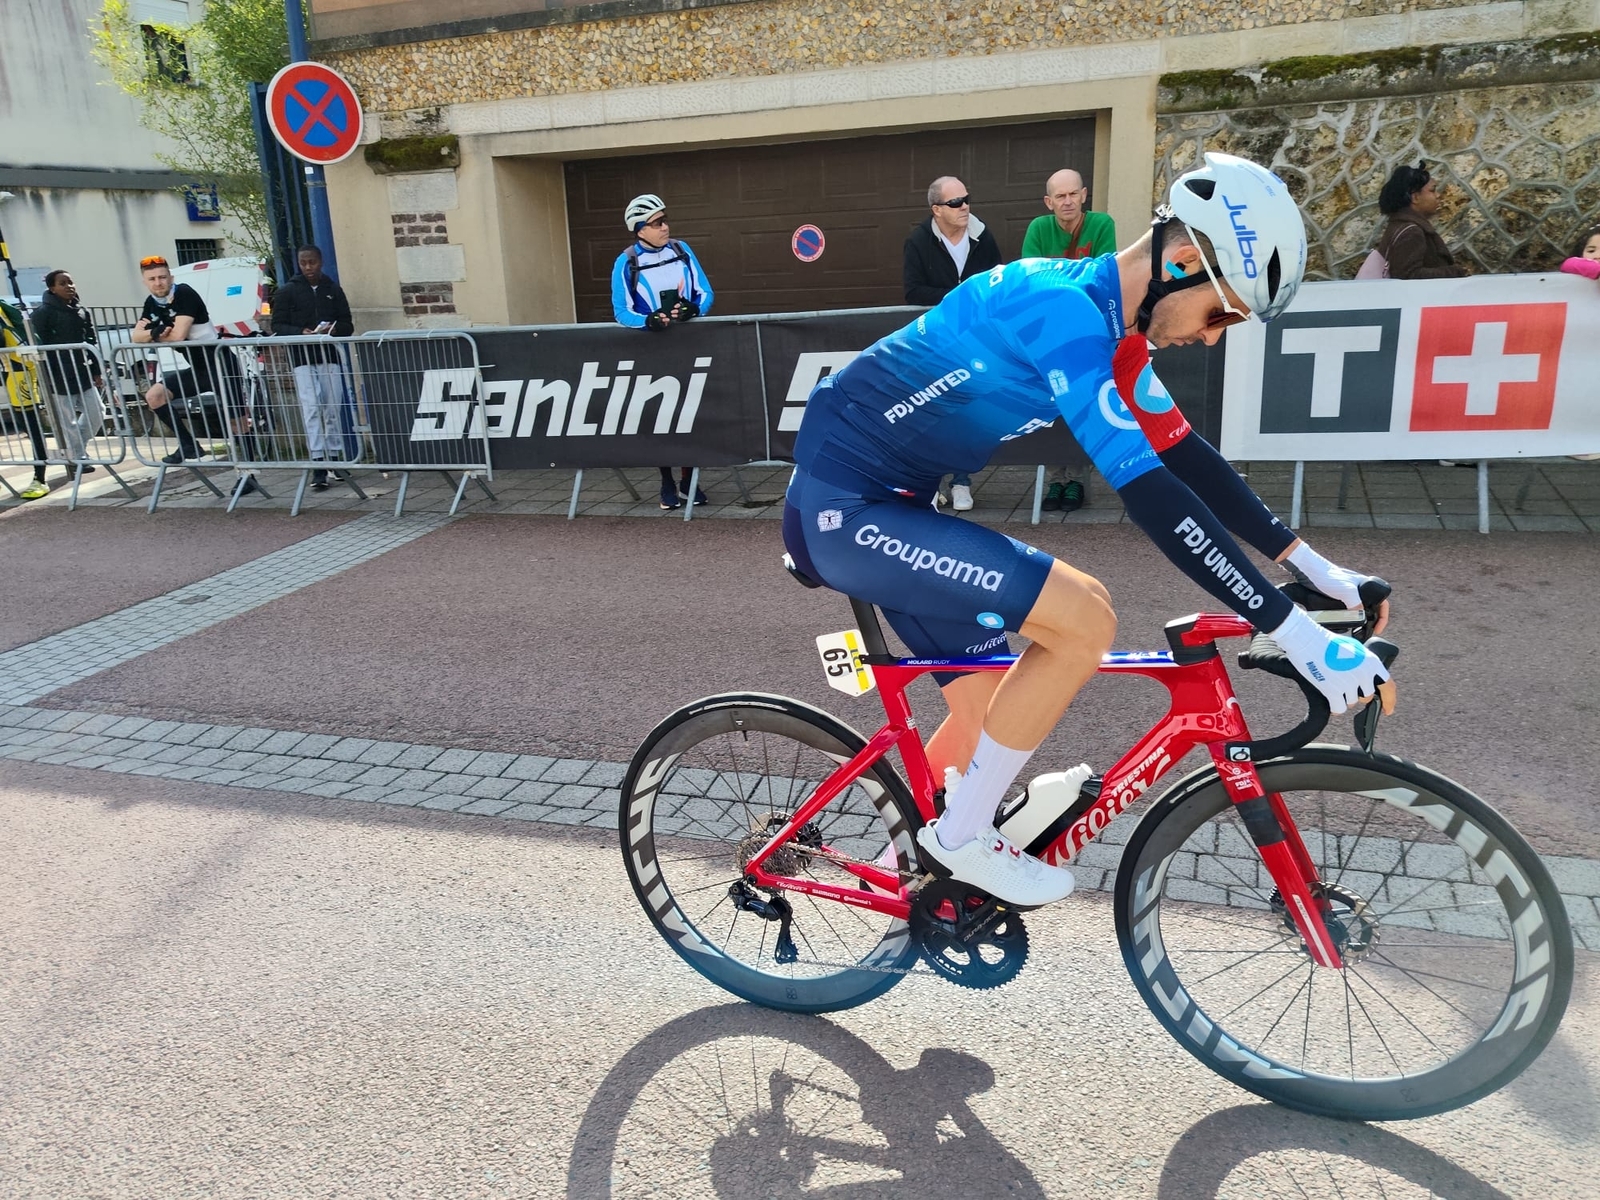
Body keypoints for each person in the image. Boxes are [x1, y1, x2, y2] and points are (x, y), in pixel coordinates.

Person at [784, 152, 1396, 906]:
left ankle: (913, 887)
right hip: (847, 509)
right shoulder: (1064, 312)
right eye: (1222, 313)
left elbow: (1188, 463)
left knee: (988, 711)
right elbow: (1152, 497)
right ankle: (962, 838)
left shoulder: (1115, 331)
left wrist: (1321, 572)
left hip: (899, 503)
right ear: (1180, 262)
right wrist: (1296, 632)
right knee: (1083, 618)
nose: (1214, 337)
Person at [904, 177, 1004, 512]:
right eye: (955, 202)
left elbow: (997, 283)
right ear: (936, 209)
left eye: (966, 199)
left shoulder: (982, 235)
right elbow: (913, 291)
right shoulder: (918, 241)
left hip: (976, 341)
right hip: (935, 341)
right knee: (932, 412)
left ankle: (961, 482)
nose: (964, 207)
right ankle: (930, 484)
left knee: (966, 412)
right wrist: (960, 298)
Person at [611, 193, 716, 510]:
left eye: (665, 220)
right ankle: (667, 482)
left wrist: (694, 309)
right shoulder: (626, 262)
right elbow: (621, 311)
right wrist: (649, 321)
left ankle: (689, 482)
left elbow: (705, 292)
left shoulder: (682, 250)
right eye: (657, 223)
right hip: (653, 350)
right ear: (640, 229)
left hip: (689, 346)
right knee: (662, 418)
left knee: (691, 417)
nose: (665, 227)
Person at [1020, 169, 1117, 512]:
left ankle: (1076, 480)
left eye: (1073, 194)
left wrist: (1056, 275)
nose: (1067, 201)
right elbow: (1029, 277)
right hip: (1048, 333)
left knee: (1082, 402)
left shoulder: (1102, 224)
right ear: (1049, 202)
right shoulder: (1038, 228)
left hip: (1087, 330)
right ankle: (1053, 482)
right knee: (1051, 403)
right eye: (1060, 196)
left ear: (1084, 195)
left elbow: (1103, 275)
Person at [271, 245, 355, 491]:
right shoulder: (288, 291)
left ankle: (335, 457)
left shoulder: (333, 289)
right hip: (302, 357)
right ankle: (318, 461)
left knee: (332, 406)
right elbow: (277, 325)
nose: (308, 267)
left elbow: (347, 323)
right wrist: (300, 332)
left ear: (321, 262)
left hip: (329, 356)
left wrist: (334, 329)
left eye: (312, 262)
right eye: (304, 263)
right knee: (311, 407)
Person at [130, 255, 221, 466]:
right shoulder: (152, 303)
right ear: (145, 282)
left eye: (162, 277)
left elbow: (179, 335)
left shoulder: (184, 293)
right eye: (152, 279)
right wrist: (154, 332)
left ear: (171, 278)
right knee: (154, 396)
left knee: (237, 423)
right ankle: (188, 445)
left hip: (220, 364)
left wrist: (153, 334)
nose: (158, 283)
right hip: (198, 369)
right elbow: (136, 337)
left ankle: (249, 471)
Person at [30, 269, 105, 479]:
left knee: (97, 412)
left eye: (71, 282)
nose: (69, 286)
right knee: (67, 421)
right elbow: (37, 343)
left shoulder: (81, 311)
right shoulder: (43, 313)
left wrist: (96, 370)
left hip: (82, 371)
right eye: (62, 283)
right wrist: (46, 373)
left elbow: (90, 340)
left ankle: (76, 448)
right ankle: (77, 458)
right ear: (52, 288)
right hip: (57, 374)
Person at [1372, 163, 1467, 280]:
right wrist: (1454, 271)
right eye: (1432, 190)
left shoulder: (1401, 224)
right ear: (1415, 197)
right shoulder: (1411, 232)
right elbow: (1408, 276)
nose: (1438, 195)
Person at [2, 295, 51, 499]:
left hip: (19, 368)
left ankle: (40, 478)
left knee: (31, 425)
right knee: (26, 424)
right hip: (8, 369)